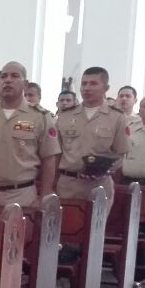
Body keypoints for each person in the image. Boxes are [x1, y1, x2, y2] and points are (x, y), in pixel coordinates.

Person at [0, 60, 59, 207]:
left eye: (15, 76)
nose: (8, 80)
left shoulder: (40, 117)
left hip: (22, 195)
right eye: (4, 77)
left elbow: (49, 160)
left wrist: (44, 195)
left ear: (26, 84)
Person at [55, 66, 130, 208]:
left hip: (99, 185)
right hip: (68, 185)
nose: (87, 88)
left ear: (106, 87)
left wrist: (105, 170)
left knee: (94, 230)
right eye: (84, 84)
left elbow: (120, 153)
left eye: (93, 84)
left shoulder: (117, 117)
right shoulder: (65, 116)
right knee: (65, 228)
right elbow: (56, 153)